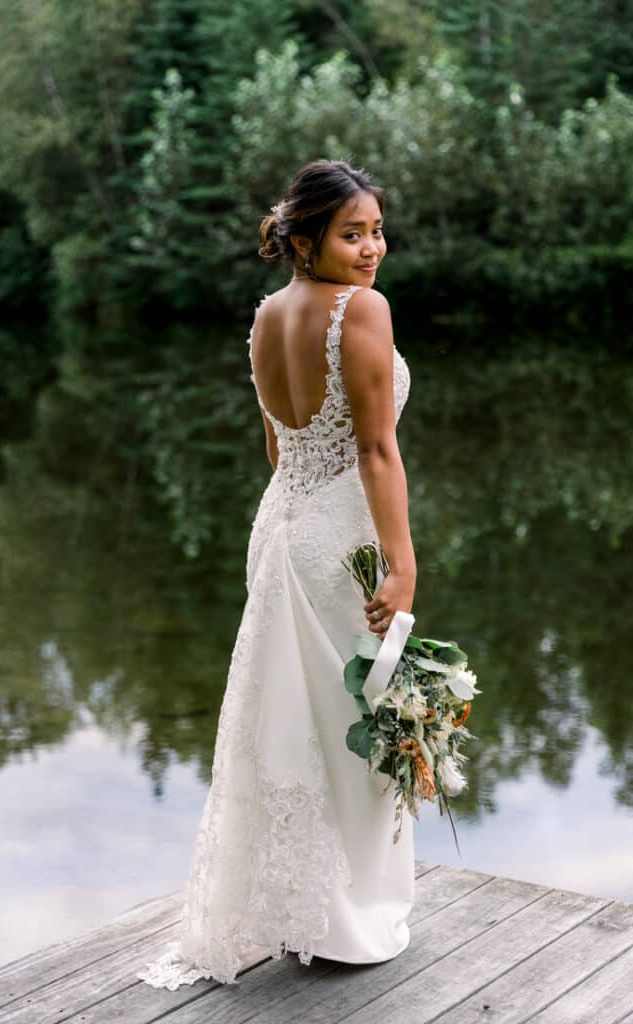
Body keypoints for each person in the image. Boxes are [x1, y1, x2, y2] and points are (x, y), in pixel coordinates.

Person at [135, 158, 416, 989]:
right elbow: (373, 449)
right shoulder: (363, 312)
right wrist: (401, 562)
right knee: (351, 717)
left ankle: (303, 907)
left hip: (282, 525)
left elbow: (277, 445)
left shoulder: (265, 318)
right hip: (341, 539)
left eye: (374, 231)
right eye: (351, 233)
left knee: (292, 717)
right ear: (304, 239)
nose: (371, 249)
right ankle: (345, 917)